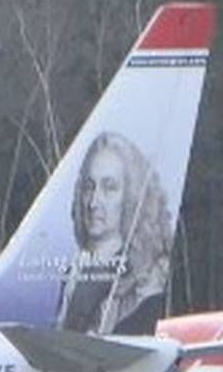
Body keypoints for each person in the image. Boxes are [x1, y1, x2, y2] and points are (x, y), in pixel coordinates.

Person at [57, 131, 173, 335]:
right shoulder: (74, 276)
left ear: (130, 195)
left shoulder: (143, 283)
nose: (93, 202)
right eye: (89, 187)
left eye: (109, 188)